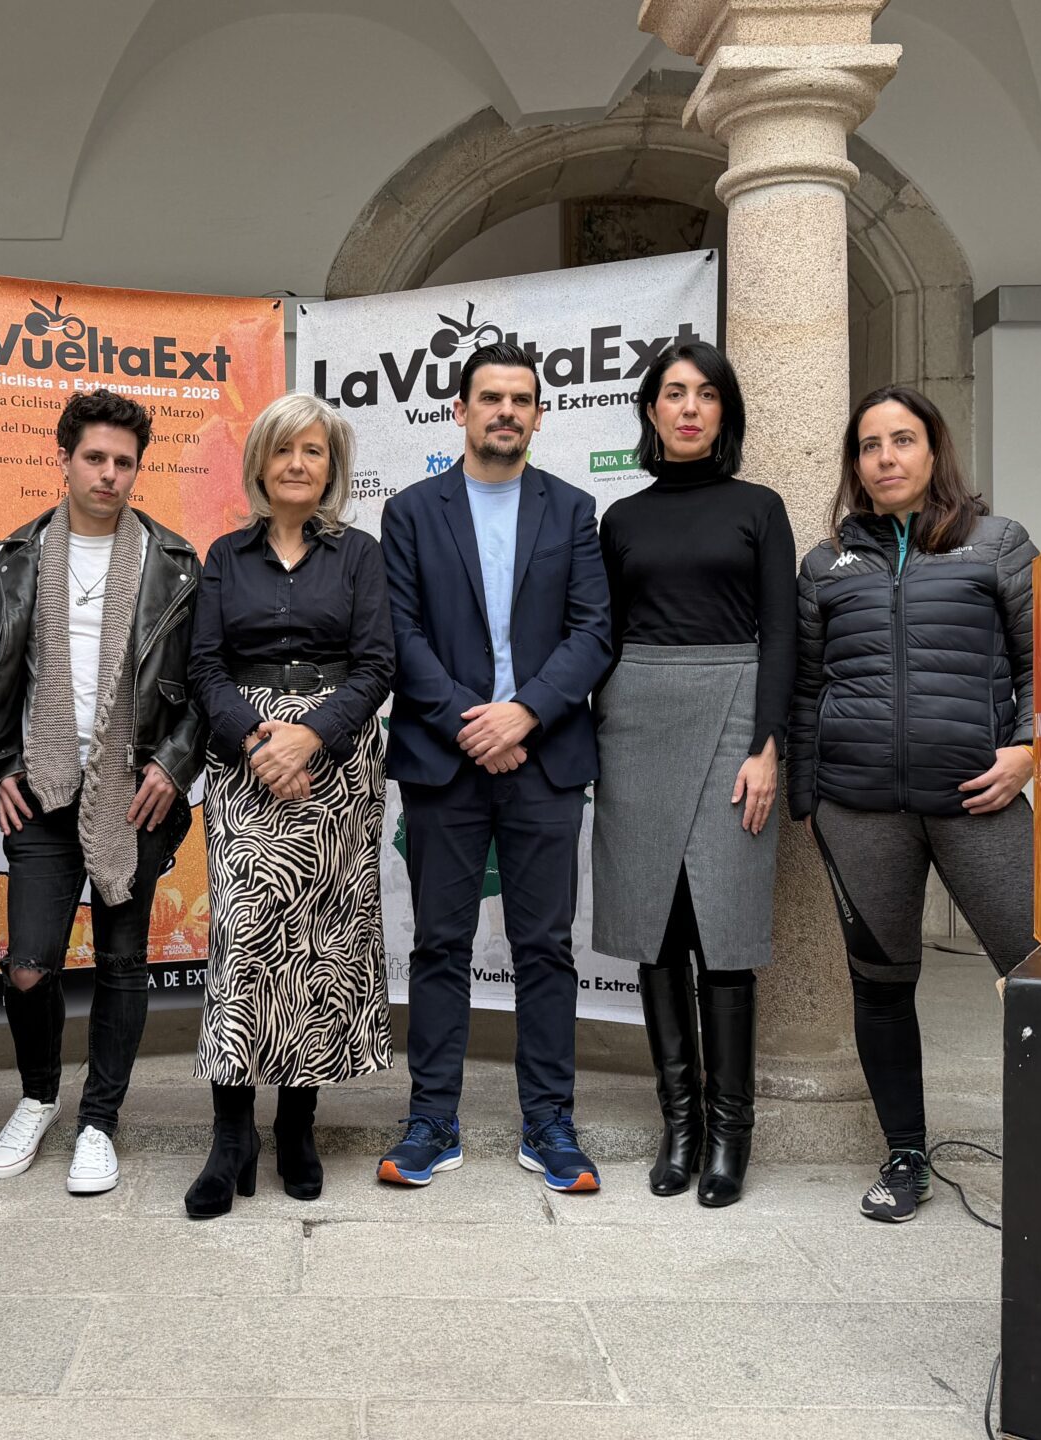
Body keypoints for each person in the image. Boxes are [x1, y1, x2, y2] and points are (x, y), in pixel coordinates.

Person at [791, 383, 1036, 1223]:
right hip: (859, 811)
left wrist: (1030, 750)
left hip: (981, 800)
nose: (886, 458)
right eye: (869, 445)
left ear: (934, 450)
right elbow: (807, 684)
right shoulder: (826, 563)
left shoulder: (997, 545)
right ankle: (905, 1154)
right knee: (883, 985)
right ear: (855, 463)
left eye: (902, 440)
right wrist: (808, 795)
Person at [378, 341, 612, 1194]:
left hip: (545, 760)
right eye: (490, 398)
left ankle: (549, 1122)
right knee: (439, 945)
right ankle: (432, 1121)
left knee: (545, 947)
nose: (506, 411)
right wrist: (472, 722)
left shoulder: (574, 509)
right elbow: (398, 636)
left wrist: (526, 713)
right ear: (460, 412)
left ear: (540, 415)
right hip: (445, 760)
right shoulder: (409, 512)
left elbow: (594, 633)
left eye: (521, 399)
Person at [0, 387, 203, 1197]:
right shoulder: (20, 555)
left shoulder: (174, 560)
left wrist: (172, 767)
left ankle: (99, 1119)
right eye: (94, 458)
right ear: (63, 459)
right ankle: (37, 1099)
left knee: (122, 961)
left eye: (123, 462)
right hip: (41, 785)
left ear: (139, 468)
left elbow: (197, 684)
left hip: (133, 793)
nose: (108, 474)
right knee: (28, 964)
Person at [592, 341, 796, 1210]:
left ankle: (729, 1137)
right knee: (658, 927)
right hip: (635, 720)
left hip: (734, 712)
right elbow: (602, 636)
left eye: (706, 394)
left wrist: (768, 744)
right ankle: (678, 1127)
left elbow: (785, 632)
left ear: (724, 413)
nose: (688, 408)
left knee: (727, 928)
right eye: (673, 393)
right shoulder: (622, 519)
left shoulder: (760, 507)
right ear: (650, 411)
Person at [182, 392, 396, 1218]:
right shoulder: (225, 555)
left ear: (331, 467)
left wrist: (311, 738)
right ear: (261, 465)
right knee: (246, 942)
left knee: (317, 945)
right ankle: (231, 1136)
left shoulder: (360, 555)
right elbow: (203, 668)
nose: (298, 464)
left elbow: (377, 665)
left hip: (336, 764)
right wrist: (257, 742)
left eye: (313, 451)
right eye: (284, 451)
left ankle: (298, 1123)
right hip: (245, 761)